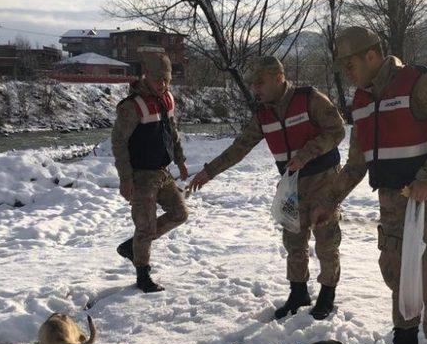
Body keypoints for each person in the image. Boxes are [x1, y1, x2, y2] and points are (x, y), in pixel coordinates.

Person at [313, 27, 427, 344]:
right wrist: (328, 200)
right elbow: (355, 164)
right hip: (392, 202)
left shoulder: (419, 82)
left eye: (350, 64)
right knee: (397, 269)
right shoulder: (363, 101)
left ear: (372, 55)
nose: (346, 72)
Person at [189, 55, 345, 320]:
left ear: (279, 78)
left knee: (326, 240)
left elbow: (337, 130)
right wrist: (209, 171)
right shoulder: (263, 114)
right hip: (290, 184)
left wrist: (307, 153)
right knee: (293, 239)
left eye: (260, 83)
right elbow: (240, 147)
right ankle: (298, 293)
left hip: (323, 178)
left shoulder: (309, 98)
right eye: (253, 84)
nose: (255, 89)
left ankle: (327, 294)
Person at [111, 46, 189, 293]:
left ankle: (132, 247)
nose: (162, 85)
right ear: (146, 74)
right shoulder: (131, 106)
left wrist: (180, 160)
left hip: (163, 172)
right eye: (158, 80)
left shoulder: (167, 99)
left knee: (180, 213)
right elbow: (119, 143)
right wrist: (125, 179)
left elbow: (172, 133)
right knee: (145, 227)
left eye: (166, 80)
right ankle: (143, 275)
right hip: (141, 176)